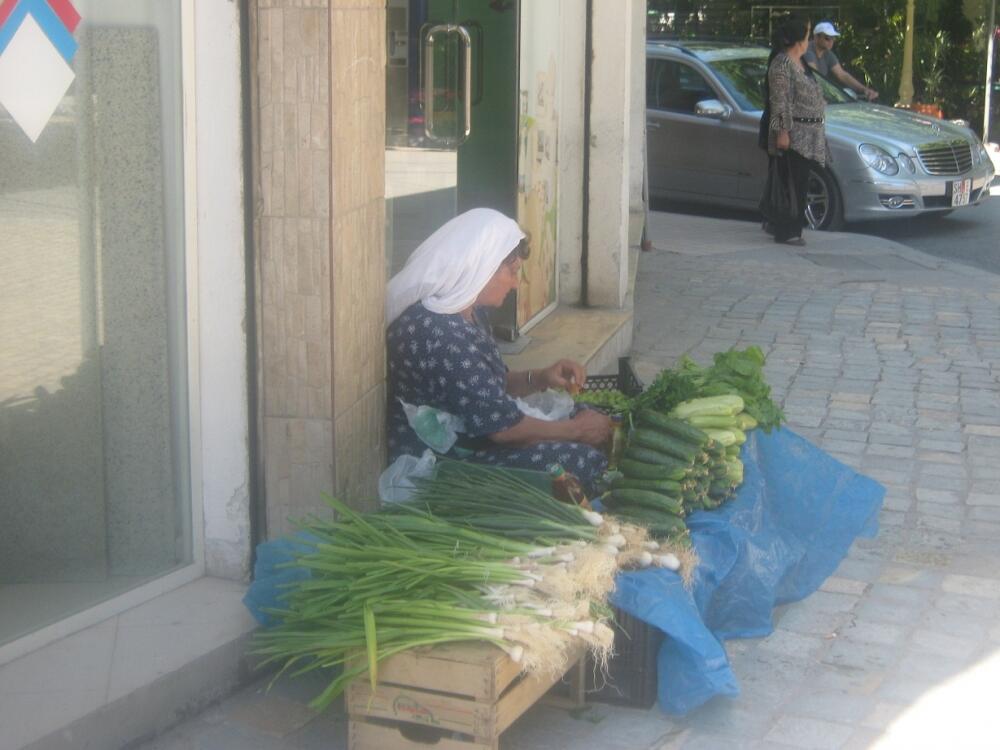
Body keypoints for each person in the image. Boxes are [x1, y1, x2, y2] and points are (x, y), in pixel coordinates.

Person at [386, 208, 613, 491]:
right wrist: (576, 432)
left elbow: (489, 388)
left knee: (585, 412)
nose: (516, 283)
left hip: (478, 432)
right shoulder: (440, 334)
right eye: (513, 271)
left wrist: (540, 377)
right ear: (482, 267)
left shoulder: (467, 312)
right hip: (447, 458)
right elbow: (504, 430)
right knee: (579, 461)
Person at [763, 15, 830, 246]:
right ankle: (786, 230)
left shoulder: (801, 63)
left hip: (810, 135)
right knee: (791, 183)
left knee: (800, 183)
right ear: (799, 39)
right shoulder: (782, 64)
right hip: (794, 134)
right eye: (807, 32)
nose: (809, 37)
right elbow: (779, 101)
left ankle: (793, 228)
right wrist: (782, 132)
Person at [804, 21, 878, 102]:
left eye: (833, 38)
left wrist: (864, 90)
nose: (831, 42)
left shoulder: (828, 54)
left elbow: (842, 75)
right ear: (816, 37)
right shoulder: (807, 51)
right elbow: (816, 77)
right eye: (827, 38)